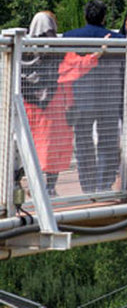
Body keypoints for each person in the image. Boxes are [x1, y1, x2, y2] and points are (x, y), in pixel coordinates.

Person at [62, 0, 124, 194]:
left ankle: (87, 185)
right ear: (104, 17)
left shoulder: (69, 37)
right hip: (109, 97)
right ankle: (103, 184)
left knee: (83, 142)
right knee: (108, 140)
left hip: (81, 97)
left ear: (85, 15)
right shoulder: (118, 39)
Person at [21, 11, 71, 197]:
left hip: (29, 105)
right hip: (52, 104)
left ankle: (34, 185)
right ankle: (48, 186)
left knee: (33, 145)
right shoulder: (56, 50)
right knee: (52, 145)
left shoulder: (22, 49)